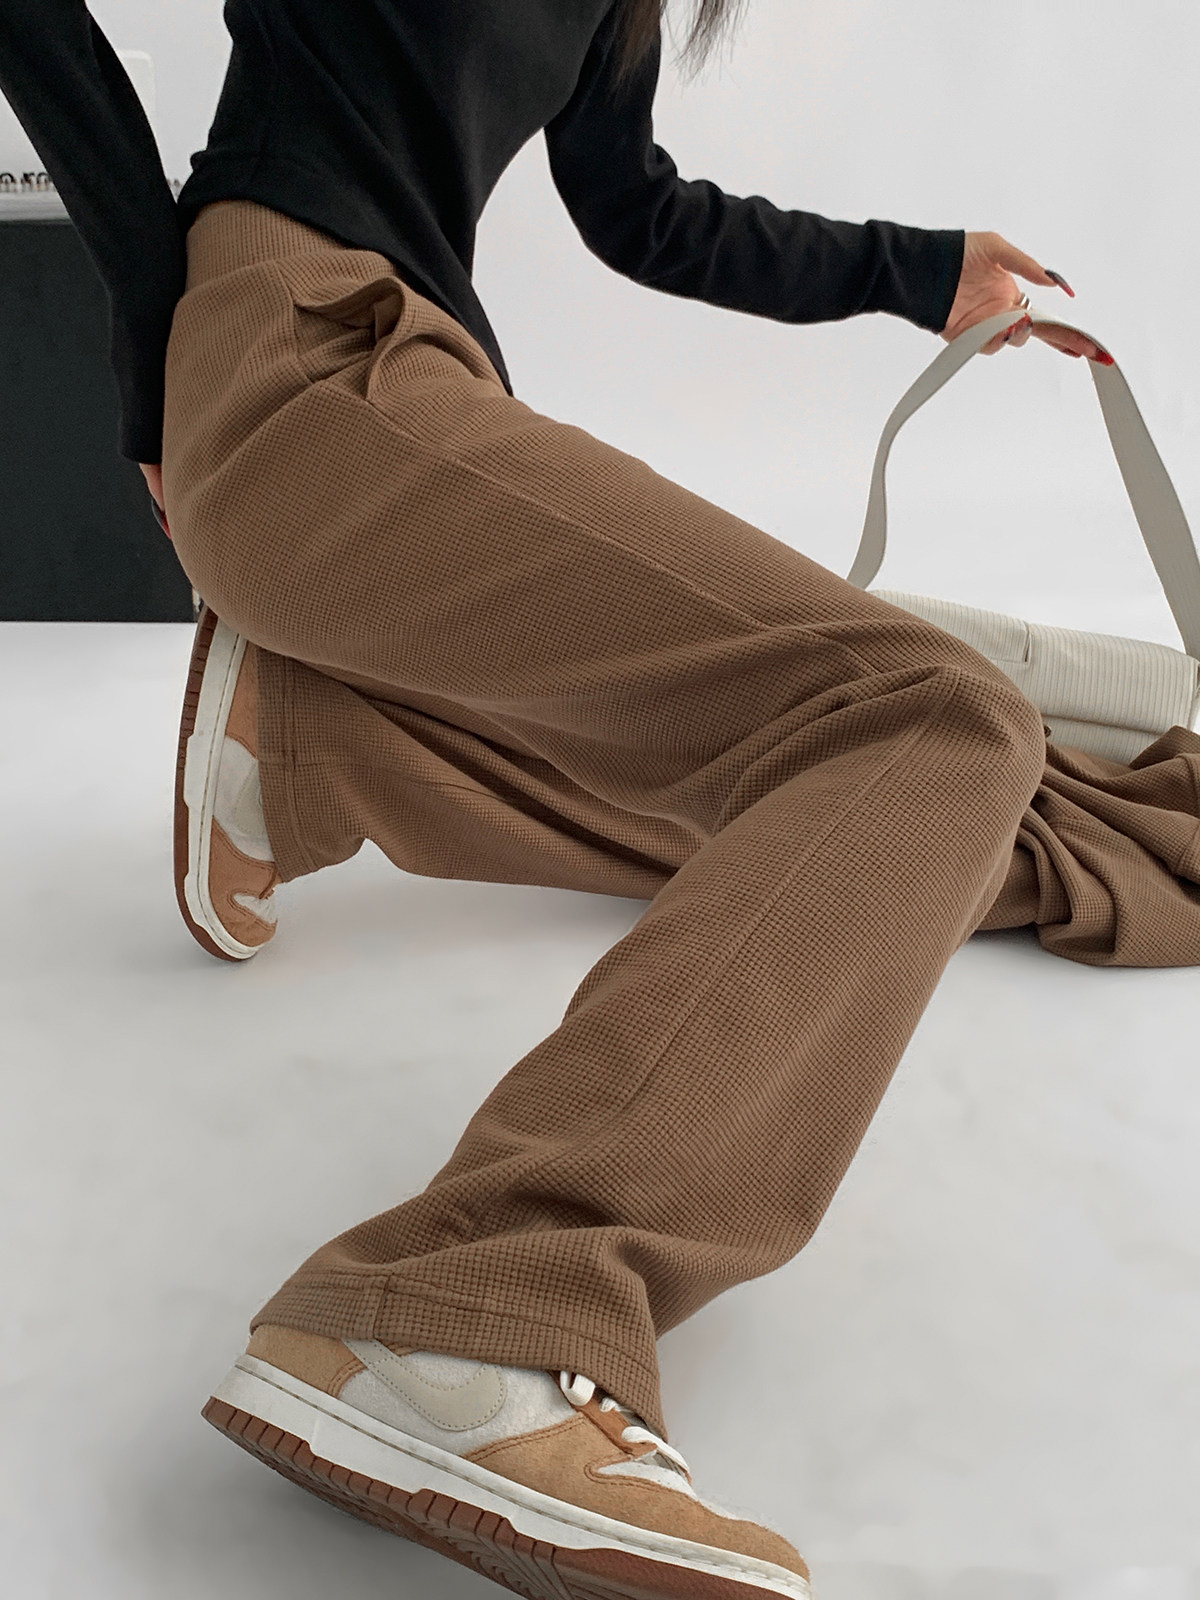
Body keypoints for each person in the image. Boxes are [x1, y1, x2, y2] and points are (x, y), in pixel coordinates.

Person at [2, 5, 1169, 1599]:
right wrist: (148, 348)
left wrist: (921, 269)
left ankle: (316, 743)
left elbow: (640, 212)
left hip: (408, 397)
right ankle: (470, 1312)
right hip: (303, 361)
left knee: (869, 795)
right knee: (937, 718)